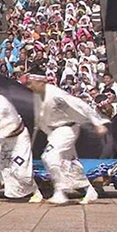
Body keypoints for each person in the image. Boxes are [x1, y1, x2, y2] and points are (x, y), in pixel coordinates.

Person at [26, 71, 109, 205]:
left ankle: (60, 191)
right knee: (68, 163)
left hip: (66, 129)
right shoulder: (37, 95)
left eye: (32, 83)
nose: (29, 86)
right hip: (54, 131)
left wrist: (97, 122)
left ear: (41, 82)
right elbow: (40, 117)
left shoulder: (56, 95)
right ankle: (89, 190)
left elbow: (80, 104)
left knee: (49, 157)